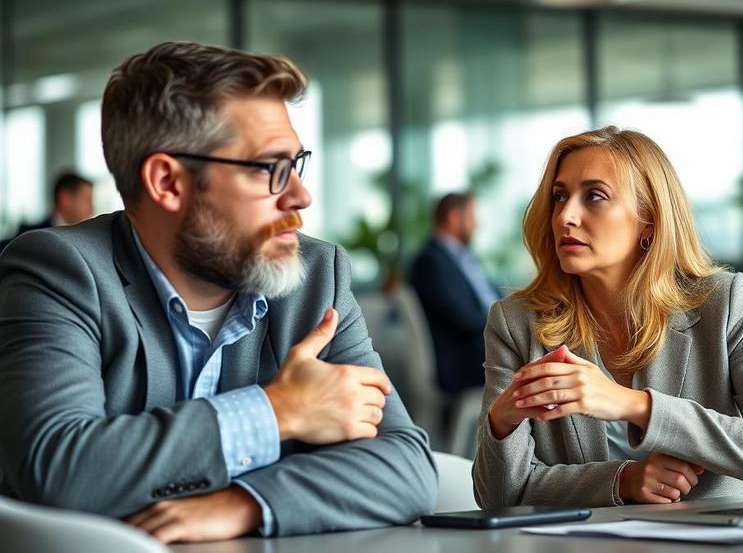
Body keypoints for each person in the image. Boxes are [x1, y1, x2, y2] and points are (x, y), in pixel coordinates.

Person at [0, 41, 436, 543]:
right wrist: (278, 411)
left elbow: (406, 466)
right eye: (269, 168)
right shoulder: (59, 270)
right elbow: (57, 468)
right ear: (168, 182)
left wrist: (246, 504)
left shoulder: (316, 275)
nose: (299, 195)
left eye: (298, 163)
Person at [473, 126, 743, 509]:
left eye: (595, 197)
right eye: (559, 196)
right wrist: (622, 480)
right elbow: (501, 498)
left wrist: (634, 405)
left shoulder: (721, 302)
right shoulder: (516, 322)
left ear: (649, 221)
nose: (564, 216)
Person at [409, 192, 501, 397]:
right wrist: (506, 328)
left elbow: (493, 296)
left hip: (483, 348)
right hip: (465, 361)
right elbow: (464, 319)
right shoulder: (430, 263)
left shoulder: (463, 258)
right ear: (453, 217)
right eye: (471, 217)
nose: (477, 225)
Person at [0, 171, 94, 252]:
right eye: (87, 200)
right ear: (65, 199)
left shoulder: (88, 241)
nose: (91, 209)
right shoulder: (27, 236)